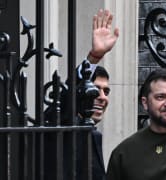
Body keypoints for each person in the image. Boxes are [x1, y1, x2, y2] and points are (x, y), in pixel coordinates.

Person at [44, 9, 119, 180]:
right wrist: (93, 58)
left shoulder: (93, 133)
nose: (102, 97)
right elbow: (68, 95)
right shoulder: (62, 120)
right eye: (95, 89)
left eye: (106, 91)